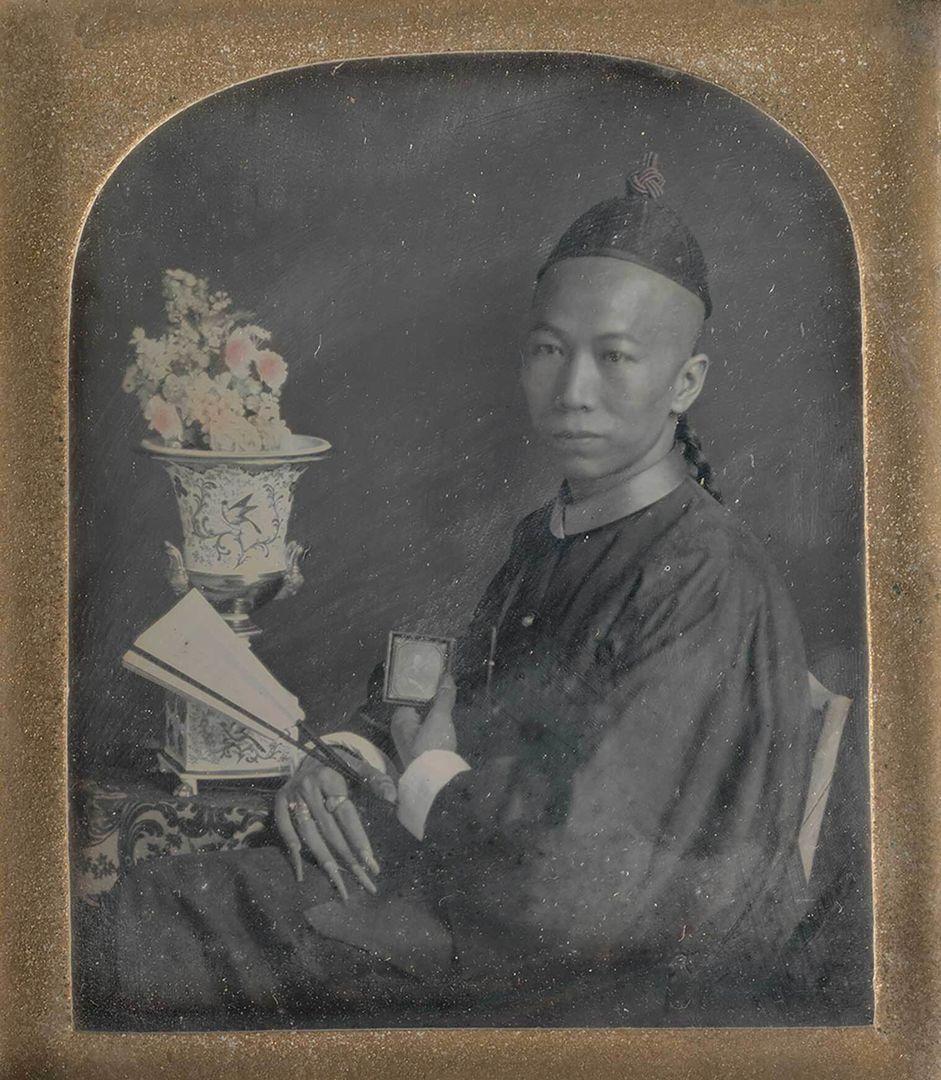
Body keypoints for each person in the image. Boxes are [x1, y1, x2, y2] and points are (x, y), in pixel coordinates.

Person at [94, 157, 818, 1030]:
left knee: (169, 927)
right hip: (475, 897)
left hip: (584, 975)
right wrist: (345, 762)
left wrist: (429, 771)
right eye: (549, 351)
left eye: (614, 357)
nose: (572, 391)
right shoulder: (545, 538)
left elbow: (591, 882)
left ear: (686, 383)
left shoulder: (705, 575)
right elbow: (454, 702)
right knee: (165, 899)